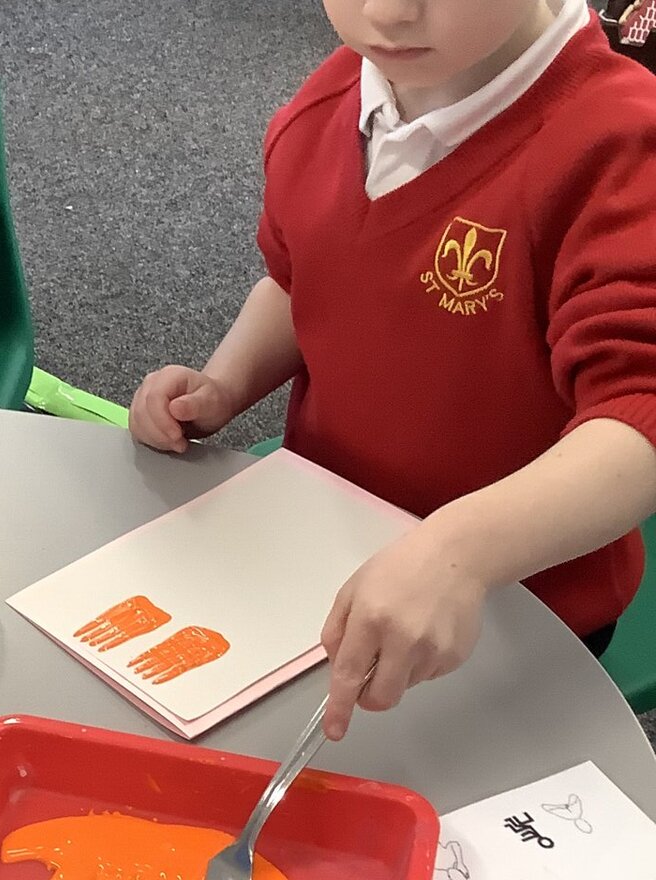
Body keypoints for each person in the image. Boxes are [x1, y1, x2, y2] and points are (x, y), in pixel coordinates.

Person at [130, 0, 656, 741]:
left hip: (517, 603)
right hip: (324, 542)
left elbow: (638, 414)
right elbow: (300, 276)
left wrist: (458, 553)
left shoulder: (620, 146)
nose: (385, 12)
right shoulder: (335, 97)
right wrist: (226, 381)